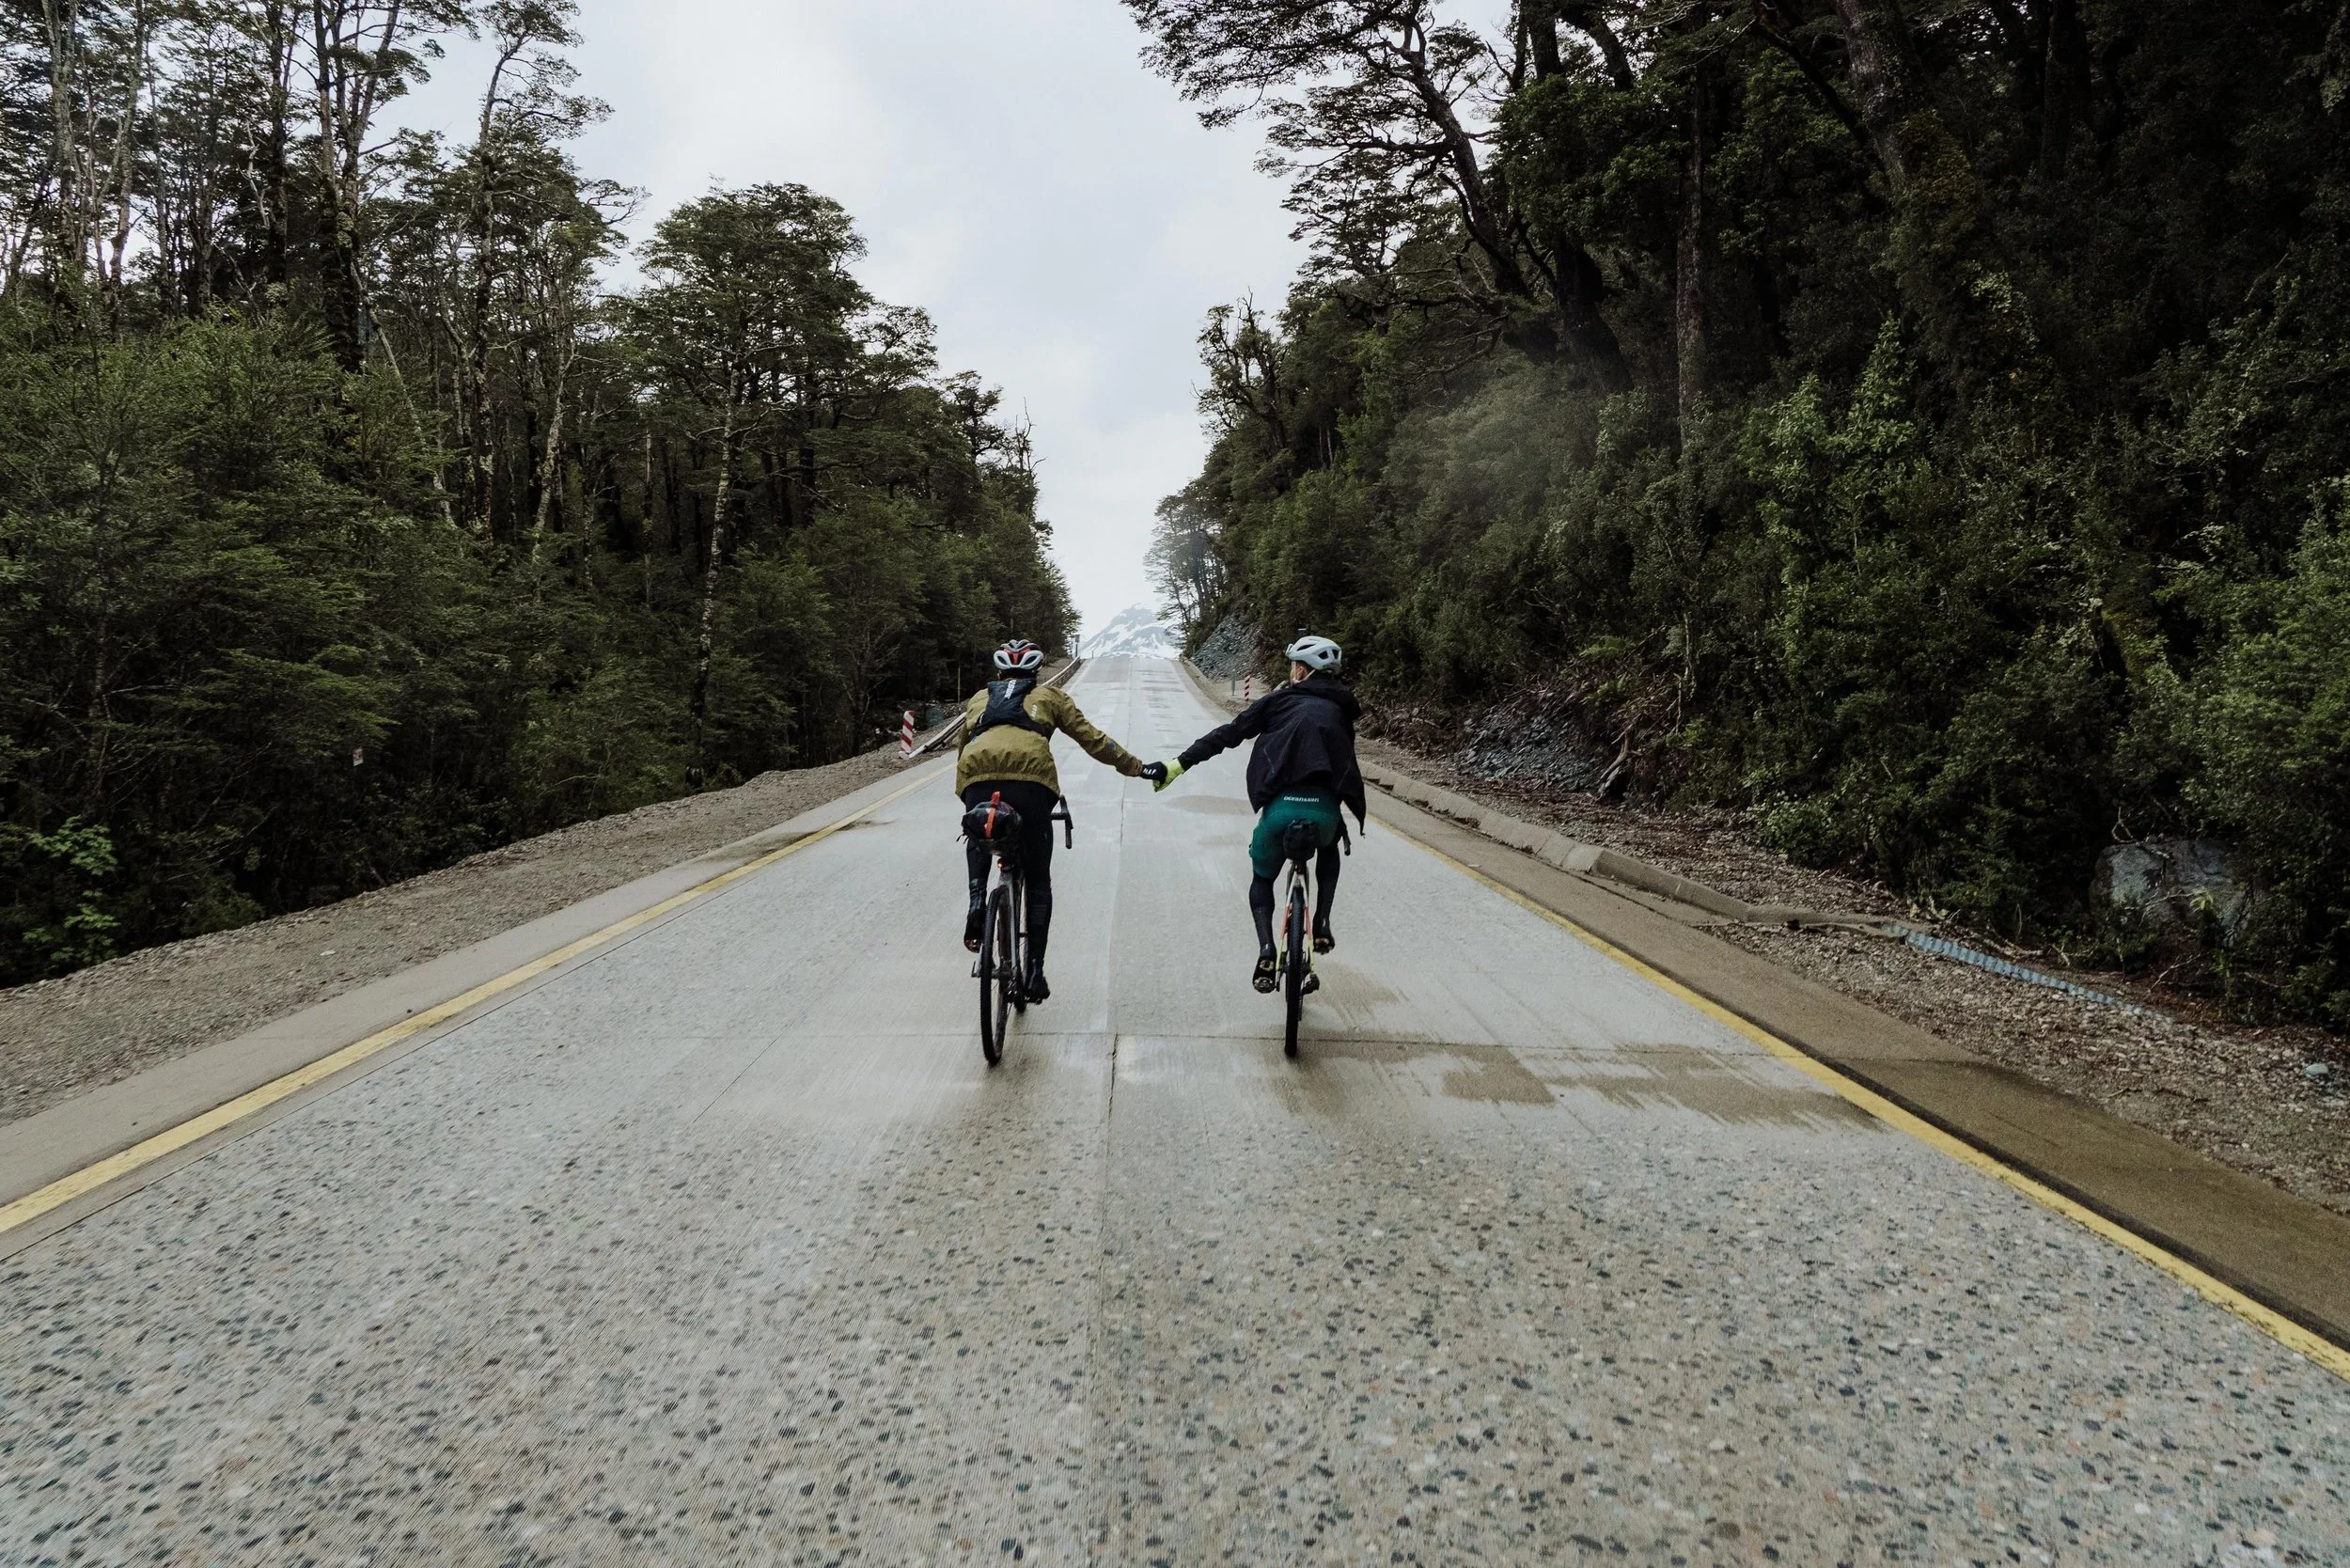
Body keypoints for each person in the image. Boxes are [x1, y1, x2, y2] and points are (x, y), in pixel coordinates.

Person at [1152, 635, 1365, 993]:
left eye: (1294, 666)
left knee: (1262, 878)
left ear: (1301, 671)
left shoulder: (1277, 702)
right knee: (1330, 846)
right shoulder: (1343, 710)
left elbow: (1228, 735)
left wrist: (1178, 765)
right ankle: (1323, 922)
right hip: (1324, 814)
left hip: (1280, 810)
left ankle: (1267, 948)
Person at [956, 637, 1153, 1003]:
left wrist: (967, 794)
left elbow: (962, 747)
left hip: (976, 776)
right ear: (1036, 673)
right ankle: (1034, 970)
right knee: (1038, 880)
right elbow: (1093, 740)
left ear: (999, 673)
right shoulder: (1051, 697)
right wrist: (1137, 767)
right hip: (1032, 783)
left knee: (980, 832)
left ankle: (977, 901)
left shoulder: (979, 699)